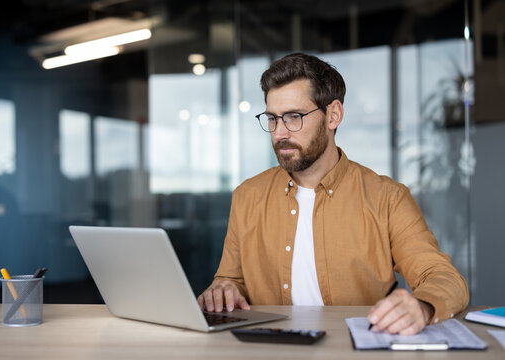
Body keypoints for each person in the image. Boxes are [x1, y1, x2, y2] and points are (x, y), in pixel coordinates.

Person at [197, 53, 469, 335]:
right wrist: (223, 290)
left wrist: (421, 306)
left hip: (356, 350)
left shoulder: (387, 198)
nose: (279, 133)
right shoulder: (247, 196)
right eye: (273, 119)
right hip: (268, 349)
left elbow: (444, 278)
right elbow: (230, 281)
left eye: (294, 117)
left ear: (333, 115)